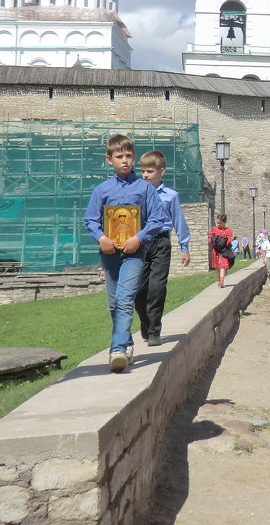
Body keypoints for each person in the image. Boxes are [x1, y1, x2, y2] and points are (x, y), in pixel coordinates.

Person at [83, 134, 169, 373]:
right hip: (110, 253)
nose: (125, 161)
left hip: (135, 253)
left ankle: (117, 349)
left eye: (129, 156)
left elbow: (156, 219)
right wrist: (101, 238)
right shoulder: (102, 190)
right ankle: (128, 345)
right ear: (109, 159)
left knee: (125, 299)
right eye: (119, 156)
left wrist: (138, 238)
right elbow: (90, 219)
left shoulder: (144, 188)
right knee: (113, 303)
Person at [135, 150, 191, 347]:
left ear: (161, 171)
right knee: (139, 291)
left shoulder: (170, 196)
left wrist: (185, 247)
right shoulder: (137, 193)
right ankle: (145, 322)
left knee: (157, 288)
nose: (145, 175)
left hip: (161, 242)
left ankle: (154, 330)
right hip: (140, 243)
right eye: (143, 171)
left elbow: (179, 222)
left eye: (149, 171)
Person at [207, 214, 234, 289]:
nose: (218, 224)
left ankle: (222, 280)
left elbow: (229, 239)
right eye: (217, 223)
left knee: (223, 264)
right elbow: (209, 238)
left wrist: (226, 242)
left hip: (224, 251)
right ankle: (219, 279)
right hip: (216, 250)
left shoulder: (228, 231)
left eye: (220, 223)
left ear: (224, 222)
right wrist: (212, 240)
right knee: (217, 266)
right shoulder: (214, 229)